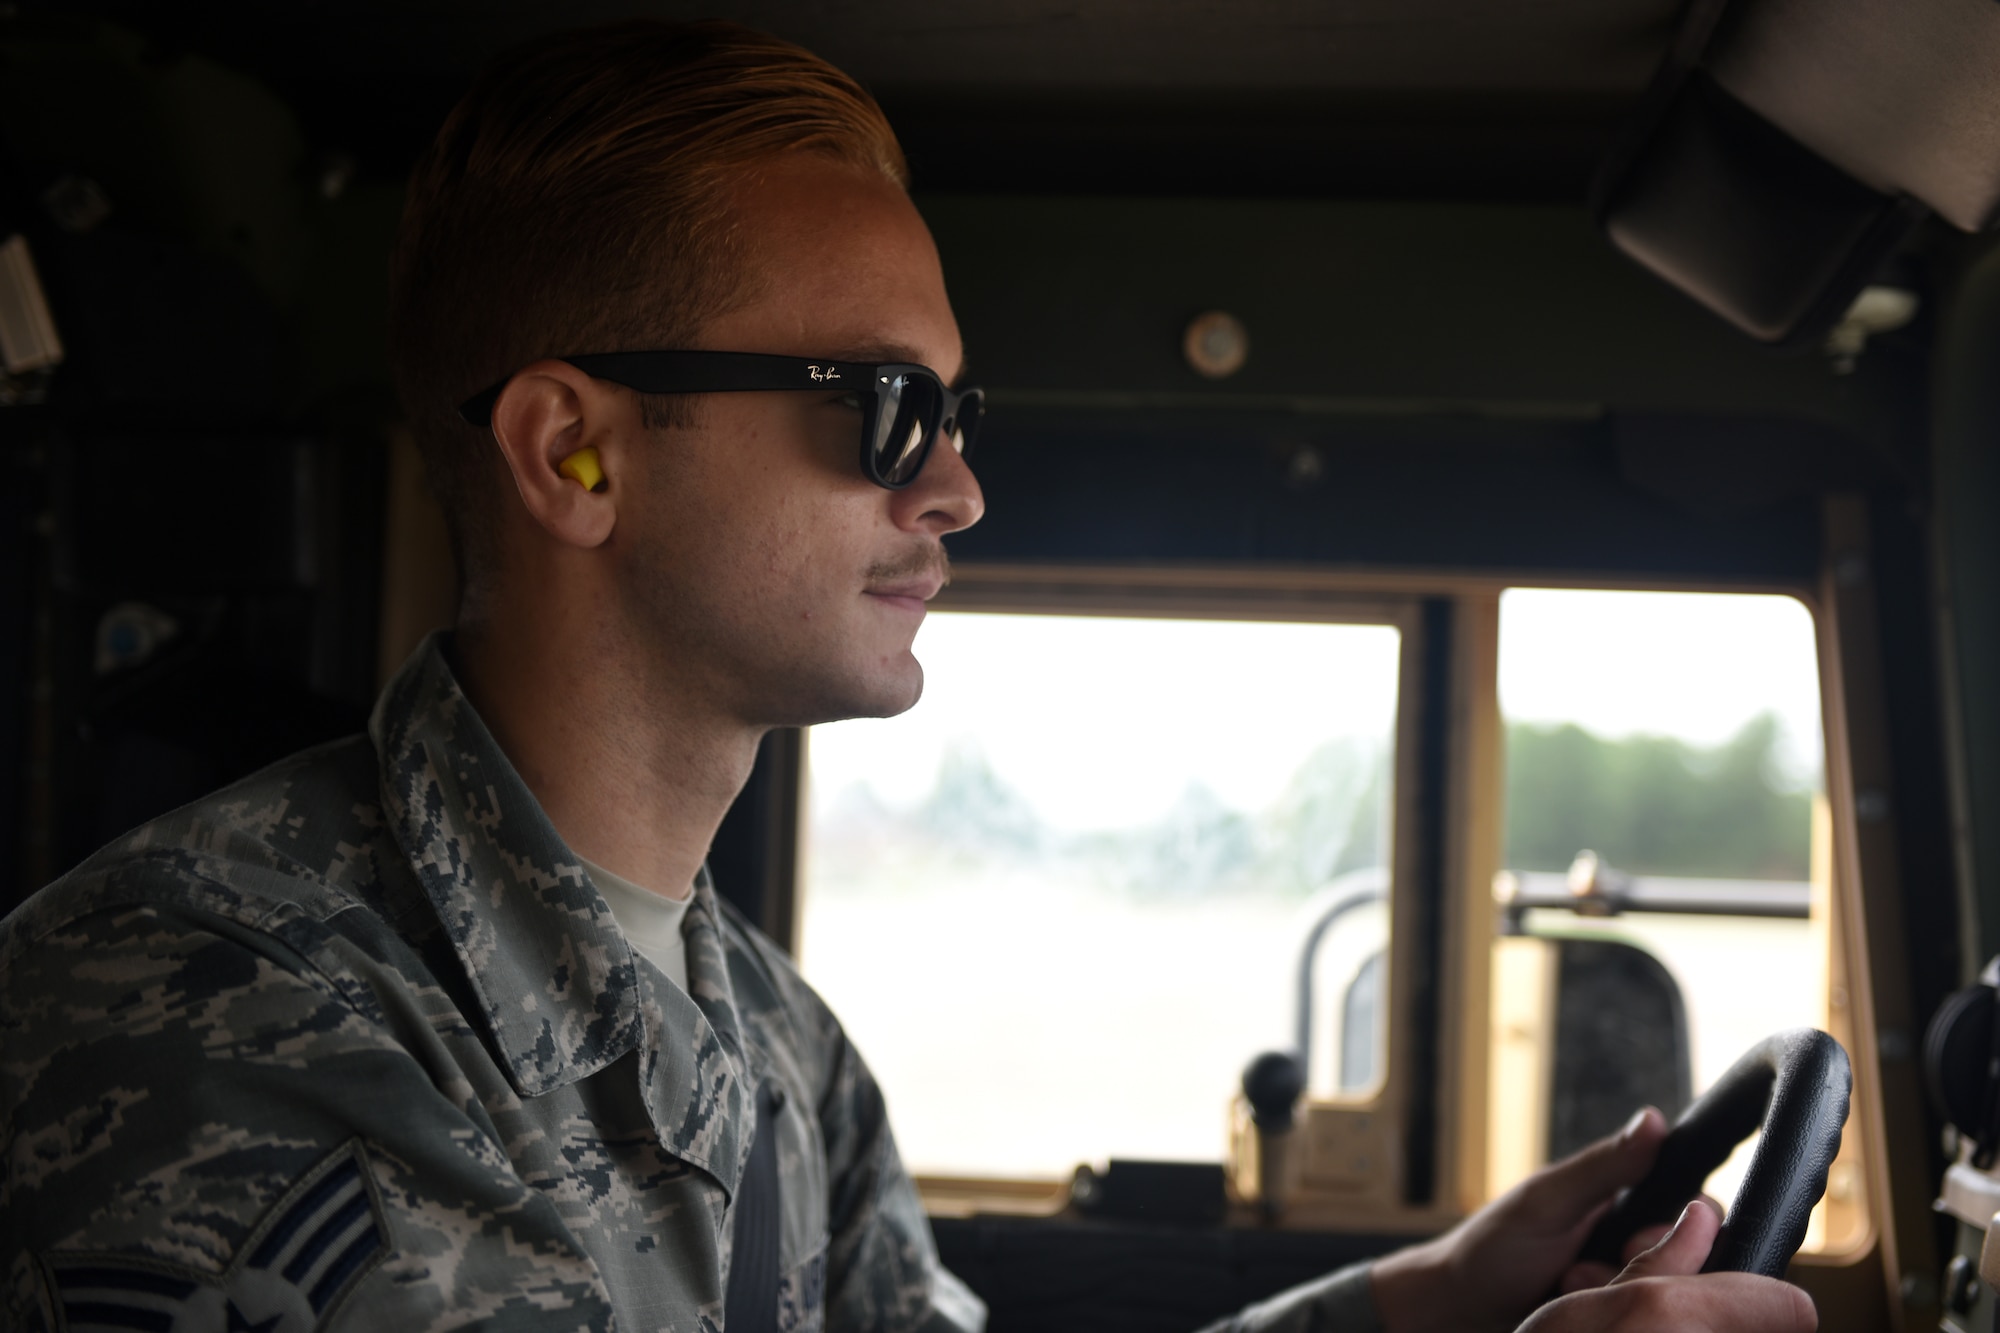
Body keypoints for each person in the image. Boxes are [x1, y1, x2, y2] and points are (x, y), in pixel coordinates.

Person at [0, 19, 1816, 1333]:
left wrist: (1424, 1300)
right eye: (882, 407)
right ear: (577, 453)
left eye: (955, 414)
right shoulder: (206, 1015)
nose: (954, 485)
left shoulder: (777, 1049)